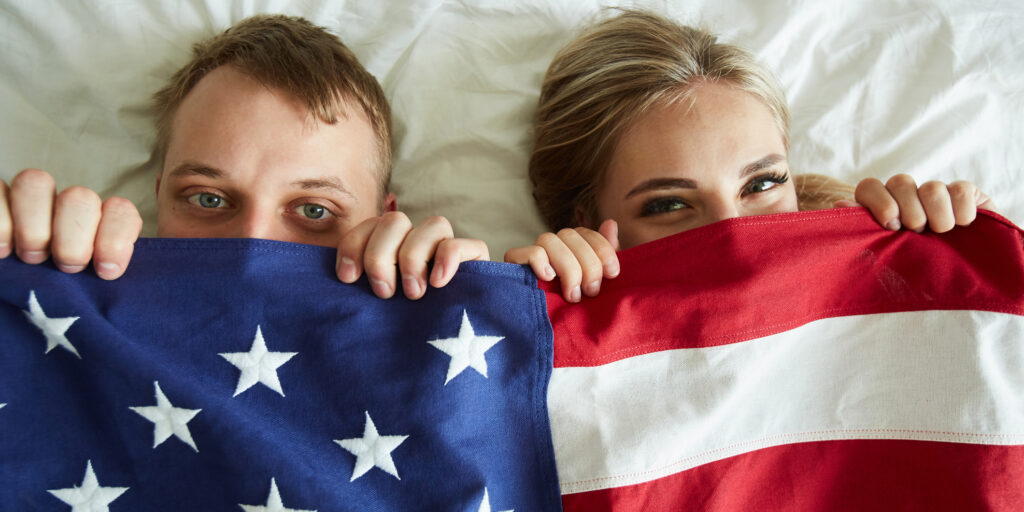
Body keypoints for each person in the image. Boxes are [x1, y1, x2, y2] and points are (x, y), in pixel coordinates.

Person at [504, 9, 995, 303]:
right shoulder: (548, 335)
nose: (733, 234)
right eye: (668, 204)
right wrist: (527, 308)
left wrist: (965, 264)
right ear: (586, 220)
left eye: (761, 184)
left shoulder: (887, 280)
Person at [0, 14, 488, 300]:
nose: (250, 247)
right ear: (158, 196)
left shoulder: (440, 331)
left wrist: (474, 303)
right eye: (208, 199)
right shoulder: (68, 300)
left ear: (386, 219)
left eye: (314, 211)